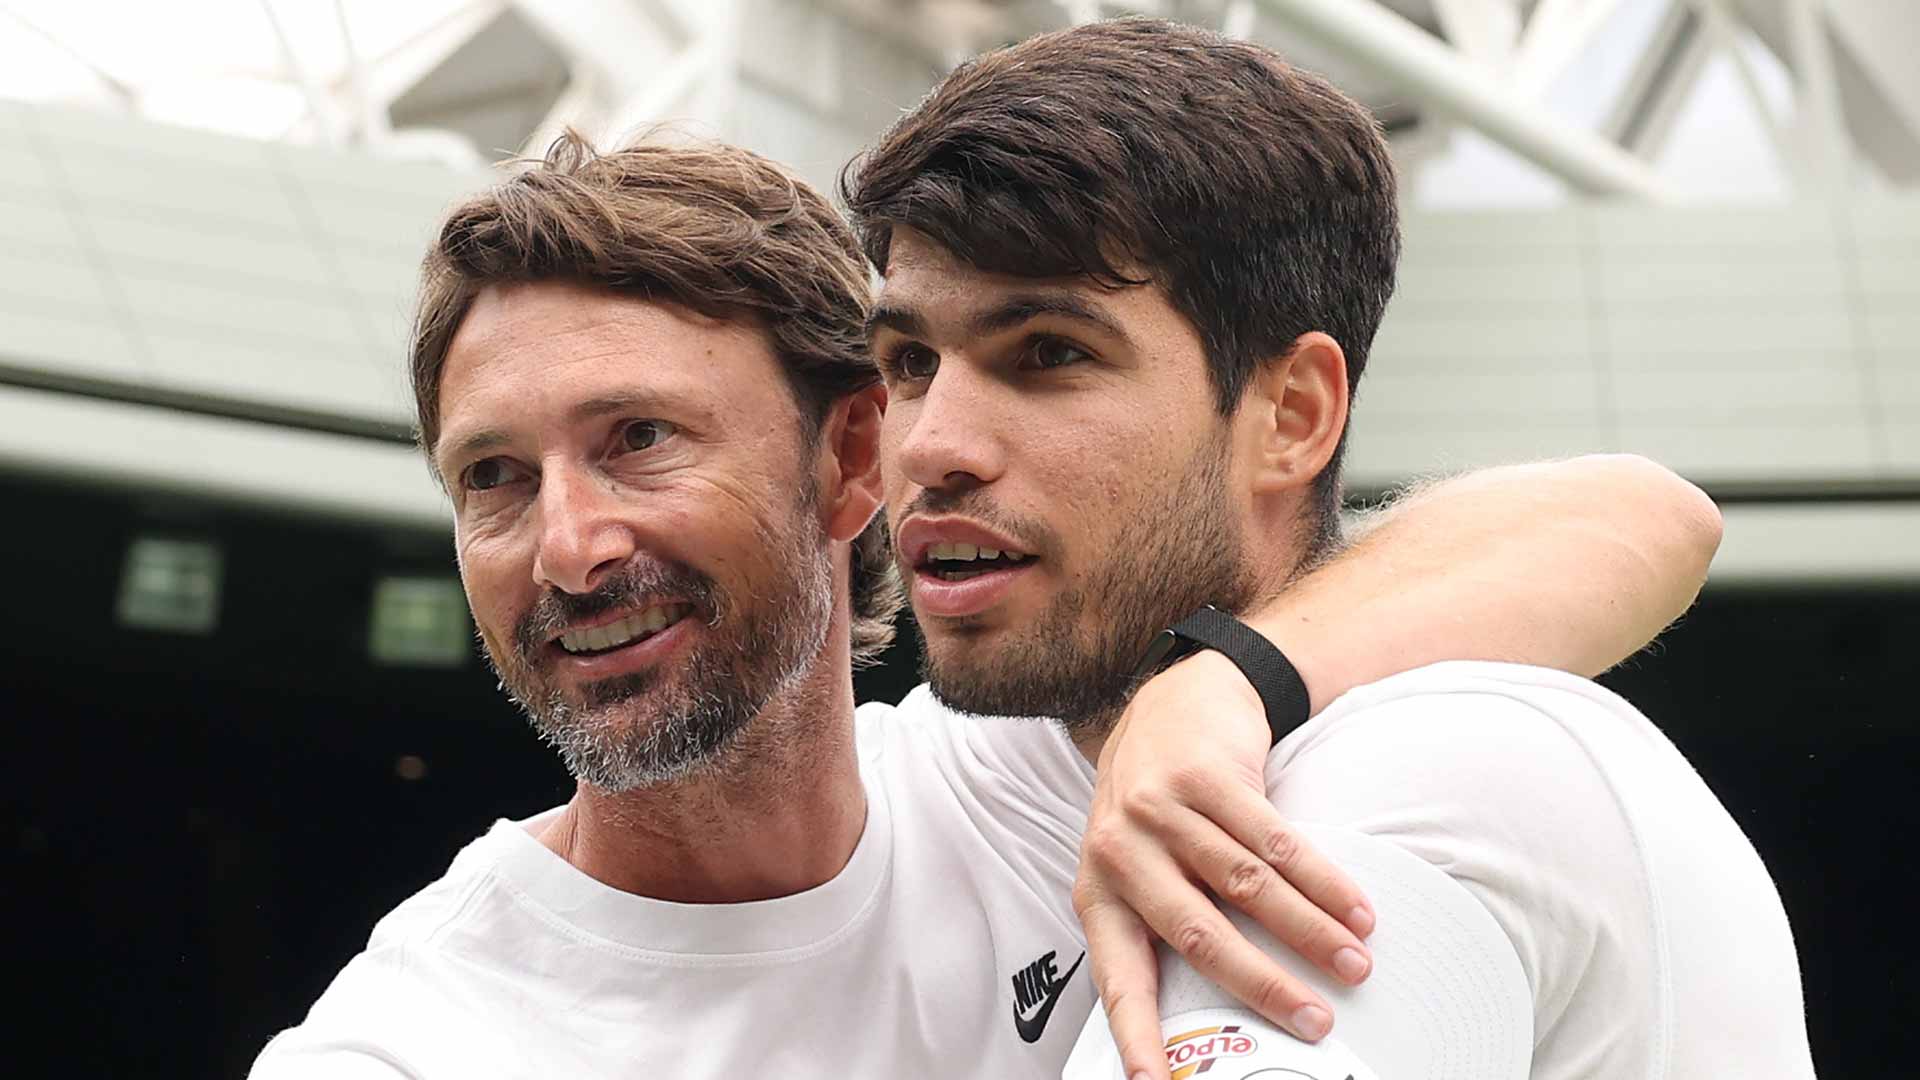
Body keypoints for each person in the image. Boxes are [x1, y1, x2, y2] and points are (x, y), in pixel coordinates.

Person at [249, 129, 1717, 1078]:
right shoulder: (416, 1048)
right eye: (495, 479)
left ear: (851, 461)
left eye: (639, 441)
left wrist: (1220, 687)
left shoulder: (1038, 772)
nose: (565, 547)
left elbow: (1637, 515)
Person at [839, 16, 1815, 1080]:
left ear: (1293, 414)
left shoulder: (1431, 773)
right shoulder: (874, 796)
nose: (931, 445)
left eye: (1049, 354)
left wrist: (1222, 678)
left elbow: (1648, 512)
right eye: (911, 359)